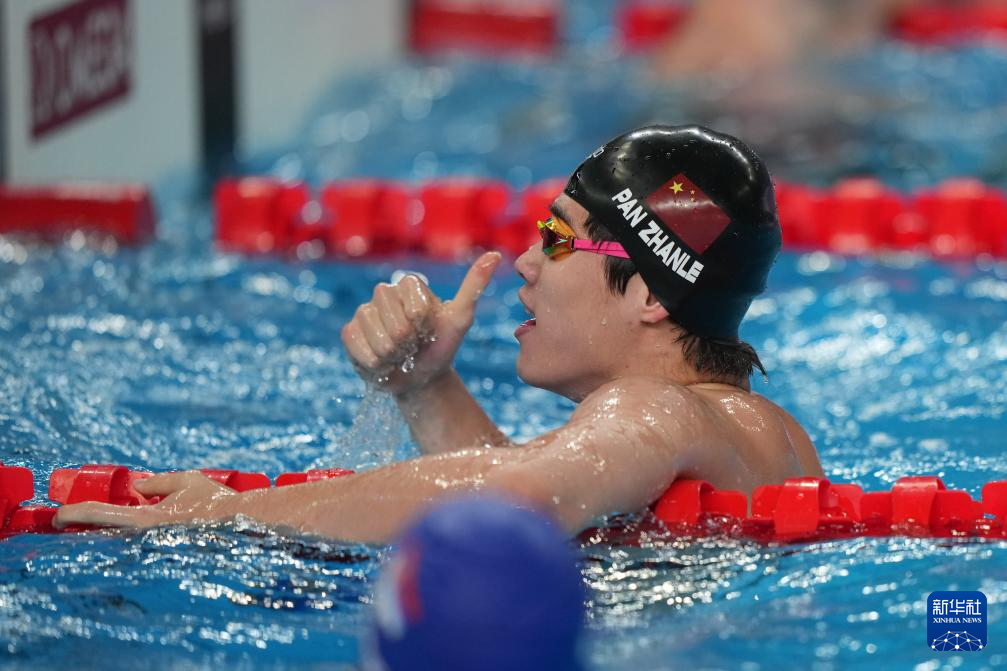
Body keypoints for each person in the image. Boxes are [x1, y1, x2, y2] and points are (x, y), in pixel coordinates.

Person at [54, 125, 824, 543]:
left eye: (557, 238)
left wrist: (225, 514)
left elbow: (514, 503)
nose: (526, 262)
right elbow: (544, 487)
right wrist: (426, 386)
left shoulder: (656, 409)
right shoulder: (766, 432)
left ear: (652, 293)